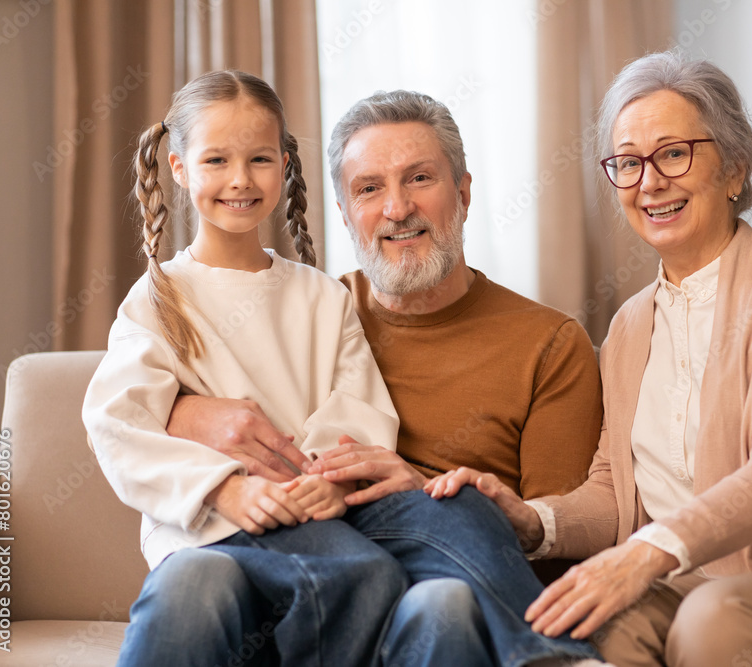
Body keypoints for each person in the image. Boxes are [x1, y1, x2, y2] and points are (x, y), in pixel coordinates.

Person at [426, 51, 752, 666]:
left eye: (673, 154)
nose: (648, 182)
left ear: (735, 169)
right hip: (692, 583)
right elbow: (615, 490)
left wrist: (645, 555)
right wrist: (532, 521)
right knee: (591, 624)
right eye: (627, 163)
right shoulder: (627, 327)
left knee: (713, 622)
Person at [91, 73, 605, 667]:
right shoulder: (160, 297)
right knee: (355, 572)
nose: (239, 179)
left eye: (258, 159)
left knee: (459, 509)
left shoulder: (321, 295)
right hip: (219, 513)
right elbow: (118, 421)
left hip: (333, 501)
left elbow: (355, 403)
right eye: (217, 160)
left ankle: (550, 656)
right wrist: (221, 480)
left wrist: (325, 476)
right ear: (178, 168)